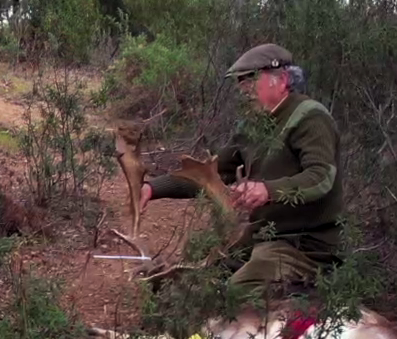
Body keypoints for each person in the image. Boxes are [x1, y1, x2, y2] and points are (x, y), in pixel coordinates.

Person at [141, 43, 341, 298]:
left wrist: (268, 190)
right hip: (263, 238)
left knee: (234, 295)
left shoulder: (310, 118)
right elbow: (209, 176)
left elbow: (321, 177)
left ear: (281, 80)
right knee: (197, 285)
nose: (243, 88)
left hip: (305, 248)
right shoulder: (253, 126)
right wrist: (152, 188)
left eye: (250, 79)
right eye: (240, 82)